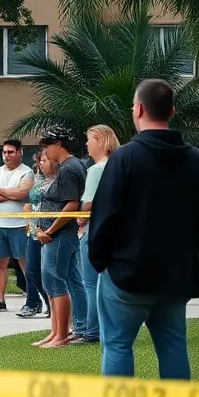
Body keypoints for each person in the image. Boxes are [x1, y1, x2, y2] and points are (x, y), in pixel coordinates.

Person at [78, 79, 199, 397]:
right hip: (175, 274)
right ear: (172, 111)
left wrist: (101, 261)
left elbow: (104, 218)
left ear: (138, 109)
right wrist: (183, 252)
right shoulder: (194, 159)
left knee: (117, 347)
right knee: (173, 349)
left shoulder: (124, 158)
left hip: (127, 274)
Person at [33, 126, 88, 348]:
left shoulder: (69, 168)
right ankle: (57, 331)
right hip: (59, 235)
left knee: (55, 283)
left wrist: (50, 231)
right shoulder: (70, 166)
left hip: (60, 236)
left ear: (58, 145)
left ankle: (61, 335)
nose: (46, 151)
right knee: (60, 281)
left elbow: (72, 205)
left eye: (48, 146)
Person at [74, 125, 120, 345]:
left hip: (94, 231)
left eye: (90, 139)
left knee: (90, 283)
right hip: (116, 231)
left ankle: (92, 330)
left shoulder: (96, 170)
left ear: (101, 140)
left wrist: (79, 219)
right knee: (109, 283)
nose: (87, 144)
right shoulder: (119, 166)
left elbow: (88, 204)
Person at [0, 139, 33, 311]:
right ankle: (0, 300)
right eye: (4, 152)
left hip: (19, 224)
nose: (6, 155)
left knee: (25, 262)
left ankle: (34, 299)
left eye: (10, 152)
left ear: (19, 152)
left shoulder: (26, 172)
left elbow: (21, 194)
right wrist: (11, 193)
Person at [17, 150, 53, 319]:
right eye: (39, 160)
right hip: (34, 228)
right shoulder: (37, 175)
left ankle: (56, 305)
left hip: (49, 229)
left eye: (44, 160)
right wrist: (28, 212)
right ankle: (47, 302)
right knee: (32, 269)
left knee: (50, 271)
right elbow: (32, 200)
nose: (40, 163)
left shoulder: (60, 177)